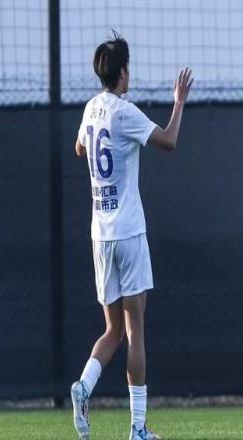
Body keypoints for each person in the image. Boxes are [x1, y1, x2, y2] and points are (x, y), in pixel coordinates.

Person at [70, 32, 193, 440]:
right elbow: (169, 141)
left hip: (100, 234)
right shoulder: (125, 112)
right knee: (135, 329)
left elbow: (79, 148)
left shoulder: (91, 108)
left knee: (113, 330)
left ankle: (84, 385)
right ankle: (138, 428)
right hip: (128, 231)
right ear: (122, 72)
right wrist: (178, 103)